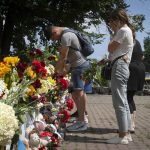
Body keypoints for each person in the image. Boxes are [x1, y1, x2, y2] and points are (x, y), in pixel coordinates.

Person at [44, 25, 90, 131]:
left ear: (55, 32)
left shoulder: (66, 35)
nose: (54, 40)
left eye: (52, 38)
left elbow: (63, 57)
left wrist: (55, 73)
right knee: (75, 93)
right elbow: (68, 57)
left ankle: (82, 122)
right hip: (77, 66)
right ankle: (82, 119)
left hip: (80, 66)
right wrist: (64, 71)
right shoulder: (68, 32)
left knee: (79, 93)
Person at [106, 9, 134, 144]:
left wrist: (114, 34)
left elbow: (110, 48)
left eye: (111, 21)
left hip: (119, 66)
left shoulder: (122, 31)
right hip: (123, 66)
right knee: (123, 102)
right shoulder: (127, 31)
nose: (110, 24)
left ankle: (122, 135)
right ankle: (126, 133)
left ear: (117, 20)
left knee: (119, 102)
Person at [127, 38, 145, 133]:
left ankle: (130, 125)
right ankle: (133, 123)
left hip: (132, 69)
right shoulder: (137, 41)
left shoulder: (127, 39)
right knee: (130, 97)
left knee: (127, 98)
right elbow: (142, 57)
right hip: (141, 68)